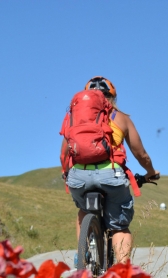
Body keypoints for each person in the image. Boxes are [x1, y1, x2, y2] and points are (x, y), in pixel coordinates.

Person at [60, 76, 159, 265]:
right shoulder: (120, 118)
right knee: (119, 227)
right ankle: (122, 272)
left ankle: (83, 255)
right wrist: (150, 172)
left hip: (79, 176)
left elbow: (63, 154)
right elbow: (141, 154)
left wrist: (66, 173)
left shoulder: (74, 119)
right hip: (111, 175)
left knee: (83, 210)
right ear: (112, 97)